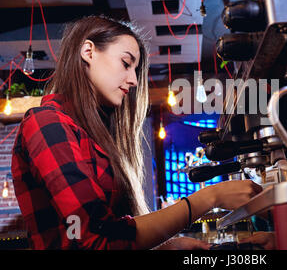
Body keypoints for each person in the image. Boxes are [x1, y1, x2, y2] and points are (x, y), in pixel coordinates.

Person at [11, 15, 263, 250]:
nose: (133, 80)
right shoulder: (46, 123)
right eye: (126, 63)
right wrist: (209, 197)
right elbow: (95, 238)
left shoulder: (92, 133)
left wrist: (167, 247)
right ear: (88, 52)